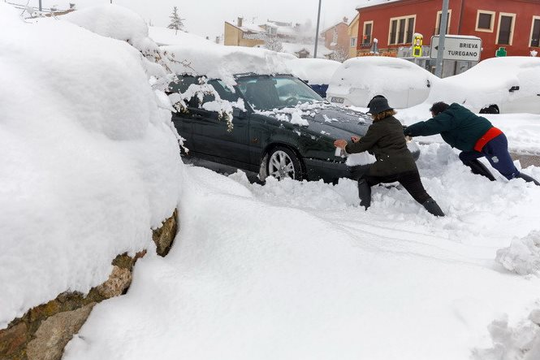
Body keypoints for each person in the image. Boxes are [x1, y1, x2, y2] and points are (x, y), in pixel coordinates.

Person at [334, 96, 445, 217]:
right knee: (422, 195)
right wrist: (362, 140)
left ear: (376, 113)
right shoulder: (396, 123)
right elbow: (383, 143)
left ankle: (363, 209)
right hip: (408, 165)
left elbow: (361, 147)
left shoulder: (376, 127)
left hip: (388, 166)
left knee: (364, 179)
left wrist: (345, 146)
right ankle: (441, 216)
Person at [404, 102, 540, 185]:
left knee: (511, 173)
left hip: (492, 142)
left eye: (434, 116)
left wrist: (407, 131)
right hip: (486, 142)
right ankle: (488, 180)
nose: (434, 119)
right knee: (465, 157)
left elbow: (428, 127)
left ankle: (533, 190)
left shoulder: (449, 116)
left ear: (439, 113)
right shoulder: (455, 113)